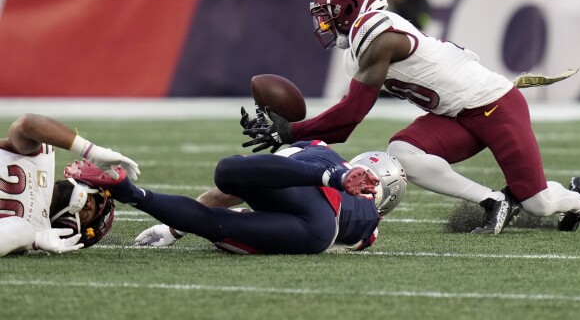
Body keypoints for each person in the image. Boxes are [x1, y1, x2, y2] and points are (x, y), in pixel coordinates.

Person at [241, 0, 580, 235]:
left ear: (352, 6)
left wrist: (288, 133)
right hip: (455, 115)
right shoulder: (364, 44)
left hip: (495, 105)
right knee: (402, 153)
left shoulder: (379, 35)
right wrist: (291, 132)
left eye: (330, 11)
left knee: (539, 204)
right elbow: (345, 113)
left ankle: (577, 199)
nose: (324, 21)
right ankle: (494, 200)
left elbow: (348, 119)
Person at [64, 138, 407, 254]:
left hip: (306, 192)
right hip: (316, 231)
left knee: (227, 173)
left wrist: (174, 229)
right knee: (218, 228)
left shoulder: (319, 149)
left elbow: (226, 192)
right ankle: (129, 193)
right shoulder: (370, 228)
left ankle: (133, 192)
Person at [0, 114, 140, 256]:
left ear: (69, 227)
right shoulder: (39, 158)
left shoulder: (37, 231)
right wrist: (90, 151)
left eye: (87, 215)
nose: (88, 204)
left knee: (24, 230)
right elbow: (28, 124)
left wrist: (33, 241)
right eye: (93, 198)